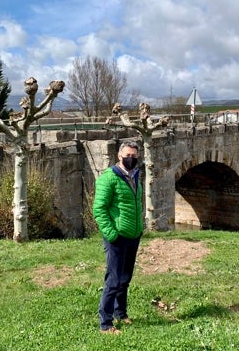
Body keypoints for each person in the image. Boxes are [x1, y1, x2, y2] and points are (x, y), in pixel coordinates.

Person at [93, 141, 144, 334]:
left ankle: (120, 313)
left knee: (125, 278)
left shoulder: (136, 175)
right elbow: (99, 209)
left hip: (133, 235)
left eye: (134, 156)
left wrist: (140, 227)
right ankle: (105, 323)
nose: (131, 159)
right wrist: (111, 234)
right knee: (113, 280)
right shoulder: (109, 178)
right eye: (127, 155)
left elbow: (135, 203)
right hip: (117, 236)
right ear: (119, 156)